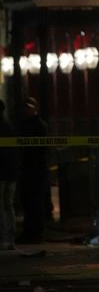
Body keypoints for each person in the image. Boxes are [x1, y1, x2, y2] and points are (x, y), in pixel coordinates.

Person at [18, 97, 49, 244]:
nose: (28, 110)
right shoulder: (24, 125)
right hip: (27, 168)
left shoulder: (40, 125)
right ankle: (29, 232)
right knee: (28, 202)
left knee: (36, 202)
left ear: (36, 108)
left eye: (30, 107)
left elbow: (41, 150)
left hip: (37, 169)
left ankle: (36, 232)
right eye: (26, 108)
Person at [0, 100, 19, 250]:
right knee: (8, 204)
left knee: (2, 205)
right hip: (11, 174)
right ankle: (10, 238)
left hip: (1, 173)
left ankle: (3, 237)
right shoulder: (10, 127)